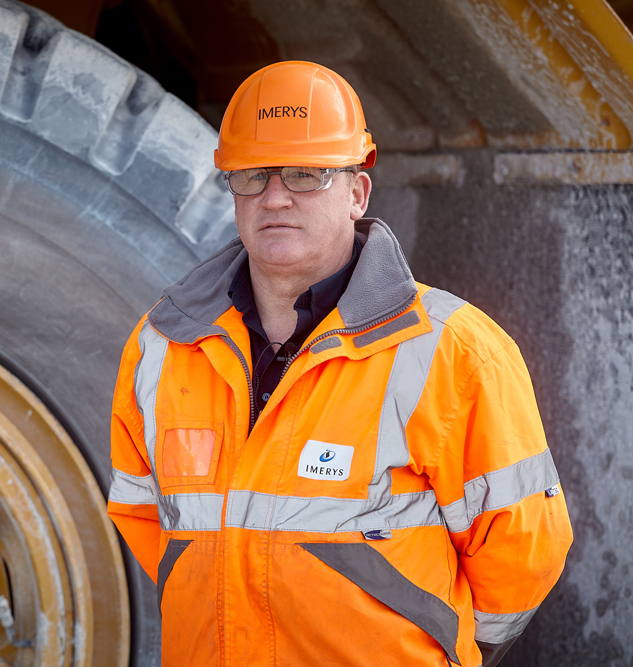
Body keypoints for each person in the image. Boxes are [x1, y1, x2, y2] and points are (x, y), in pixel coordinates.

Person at [106, 61, 572, 667]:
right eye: (253, 175)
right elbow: (147, 521)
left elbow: (522, 553)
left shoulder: (453, 350)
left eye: (307, 174)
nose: (276, 197)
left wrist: (442, 642)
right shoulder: (162, 345)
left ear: (357, 193)